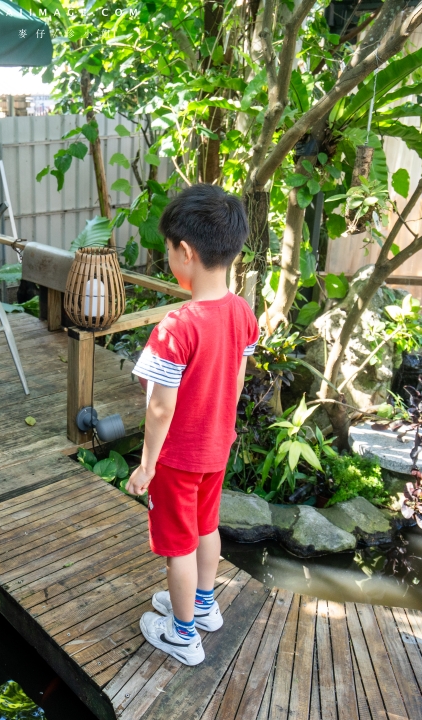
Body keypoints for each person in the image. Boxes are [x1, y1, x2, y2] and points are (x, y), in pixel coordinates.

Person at [126, 183, 258, 666]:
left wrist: (146, 465)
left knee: (177, 545)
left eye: (167, 252)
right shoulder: (242, 311)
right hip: (217, 447)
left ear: (185, 251)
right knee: (206, 527)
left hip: (179, 458)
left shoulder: (176, 326)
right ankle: (205, 607)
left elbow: (160, 409)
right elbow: (238, 378)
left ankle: (182, 634)